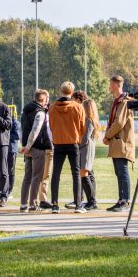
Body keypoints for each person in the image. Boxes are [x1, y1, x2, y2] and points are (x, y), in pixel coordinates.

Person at [48, 81, 87, 214]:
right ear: (72, 92)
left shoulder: (52, 107)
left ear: (61, 91)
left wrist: (57, 135)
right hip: (73, 142)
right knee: (76, 173)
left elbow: (51, 125)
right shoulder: (77, 107)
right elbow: (82, 126)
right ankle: (78, 204)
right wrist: (77, 137)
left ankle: (54, 204)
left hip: (58, 142)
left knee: (56, 173)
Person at [102, 76, 134, 212]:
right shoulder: (117, 101)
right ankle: (121, 199)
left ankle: (125, 201)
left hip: (122, 142)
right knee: (119, 172)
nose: (109, 87)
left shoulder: (124, 102)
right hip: (116, 142)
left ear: (115, 85)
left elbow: (119, 122)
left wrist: (107, 135)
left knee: (123, 171)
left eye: (110, 84)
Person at [20, 90, 51, 212]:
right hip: (37, 148)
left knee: (27, 176)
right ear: (43, 100)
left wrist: (24, 146)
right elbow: (35, 130)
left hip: (27, 148)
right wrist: (28, 146)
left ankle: (23, 204)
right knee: (36, 177)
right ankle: (33, 204)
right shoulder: (40, 112)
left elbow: (22, 130)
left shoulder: (25, 111)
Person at [72, 91, 99, 210]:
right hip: (86, 148)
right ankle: (90, 201)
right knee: (86, 174)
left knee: (84, 174)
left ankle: (92, 202)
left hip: (85, 149)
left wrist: (77, 144)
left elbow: (85, 138)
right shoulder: (90, 120)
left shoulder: (89, 121)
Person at [8, 116, 21, 199]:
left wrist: (5, 135)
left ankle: (9, 191)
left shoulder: (15, 123)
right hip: (3, 149)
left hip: (12, 149)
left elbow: (17, 136)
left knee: (10, 170)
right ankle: (2, 190)